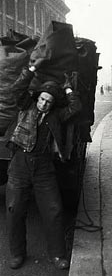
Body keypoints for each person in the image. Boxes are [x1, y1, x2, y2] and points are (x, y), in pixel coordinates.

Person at [5, 59, 82, 270]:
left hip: (44, 169)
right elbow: (16, 89)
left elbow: (76, 106)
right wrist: (32, 69)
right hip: (20, 165)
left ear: (53, 103)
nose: (43, 104)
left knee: (54, 210)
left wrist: (67, 88)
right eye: (41, 99)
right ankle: (17, 253)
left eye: (48, 101)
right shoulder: (26, 105)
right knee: (14, 210)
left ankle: (58, 255)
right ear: (36, 98)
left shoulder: (57, 116)